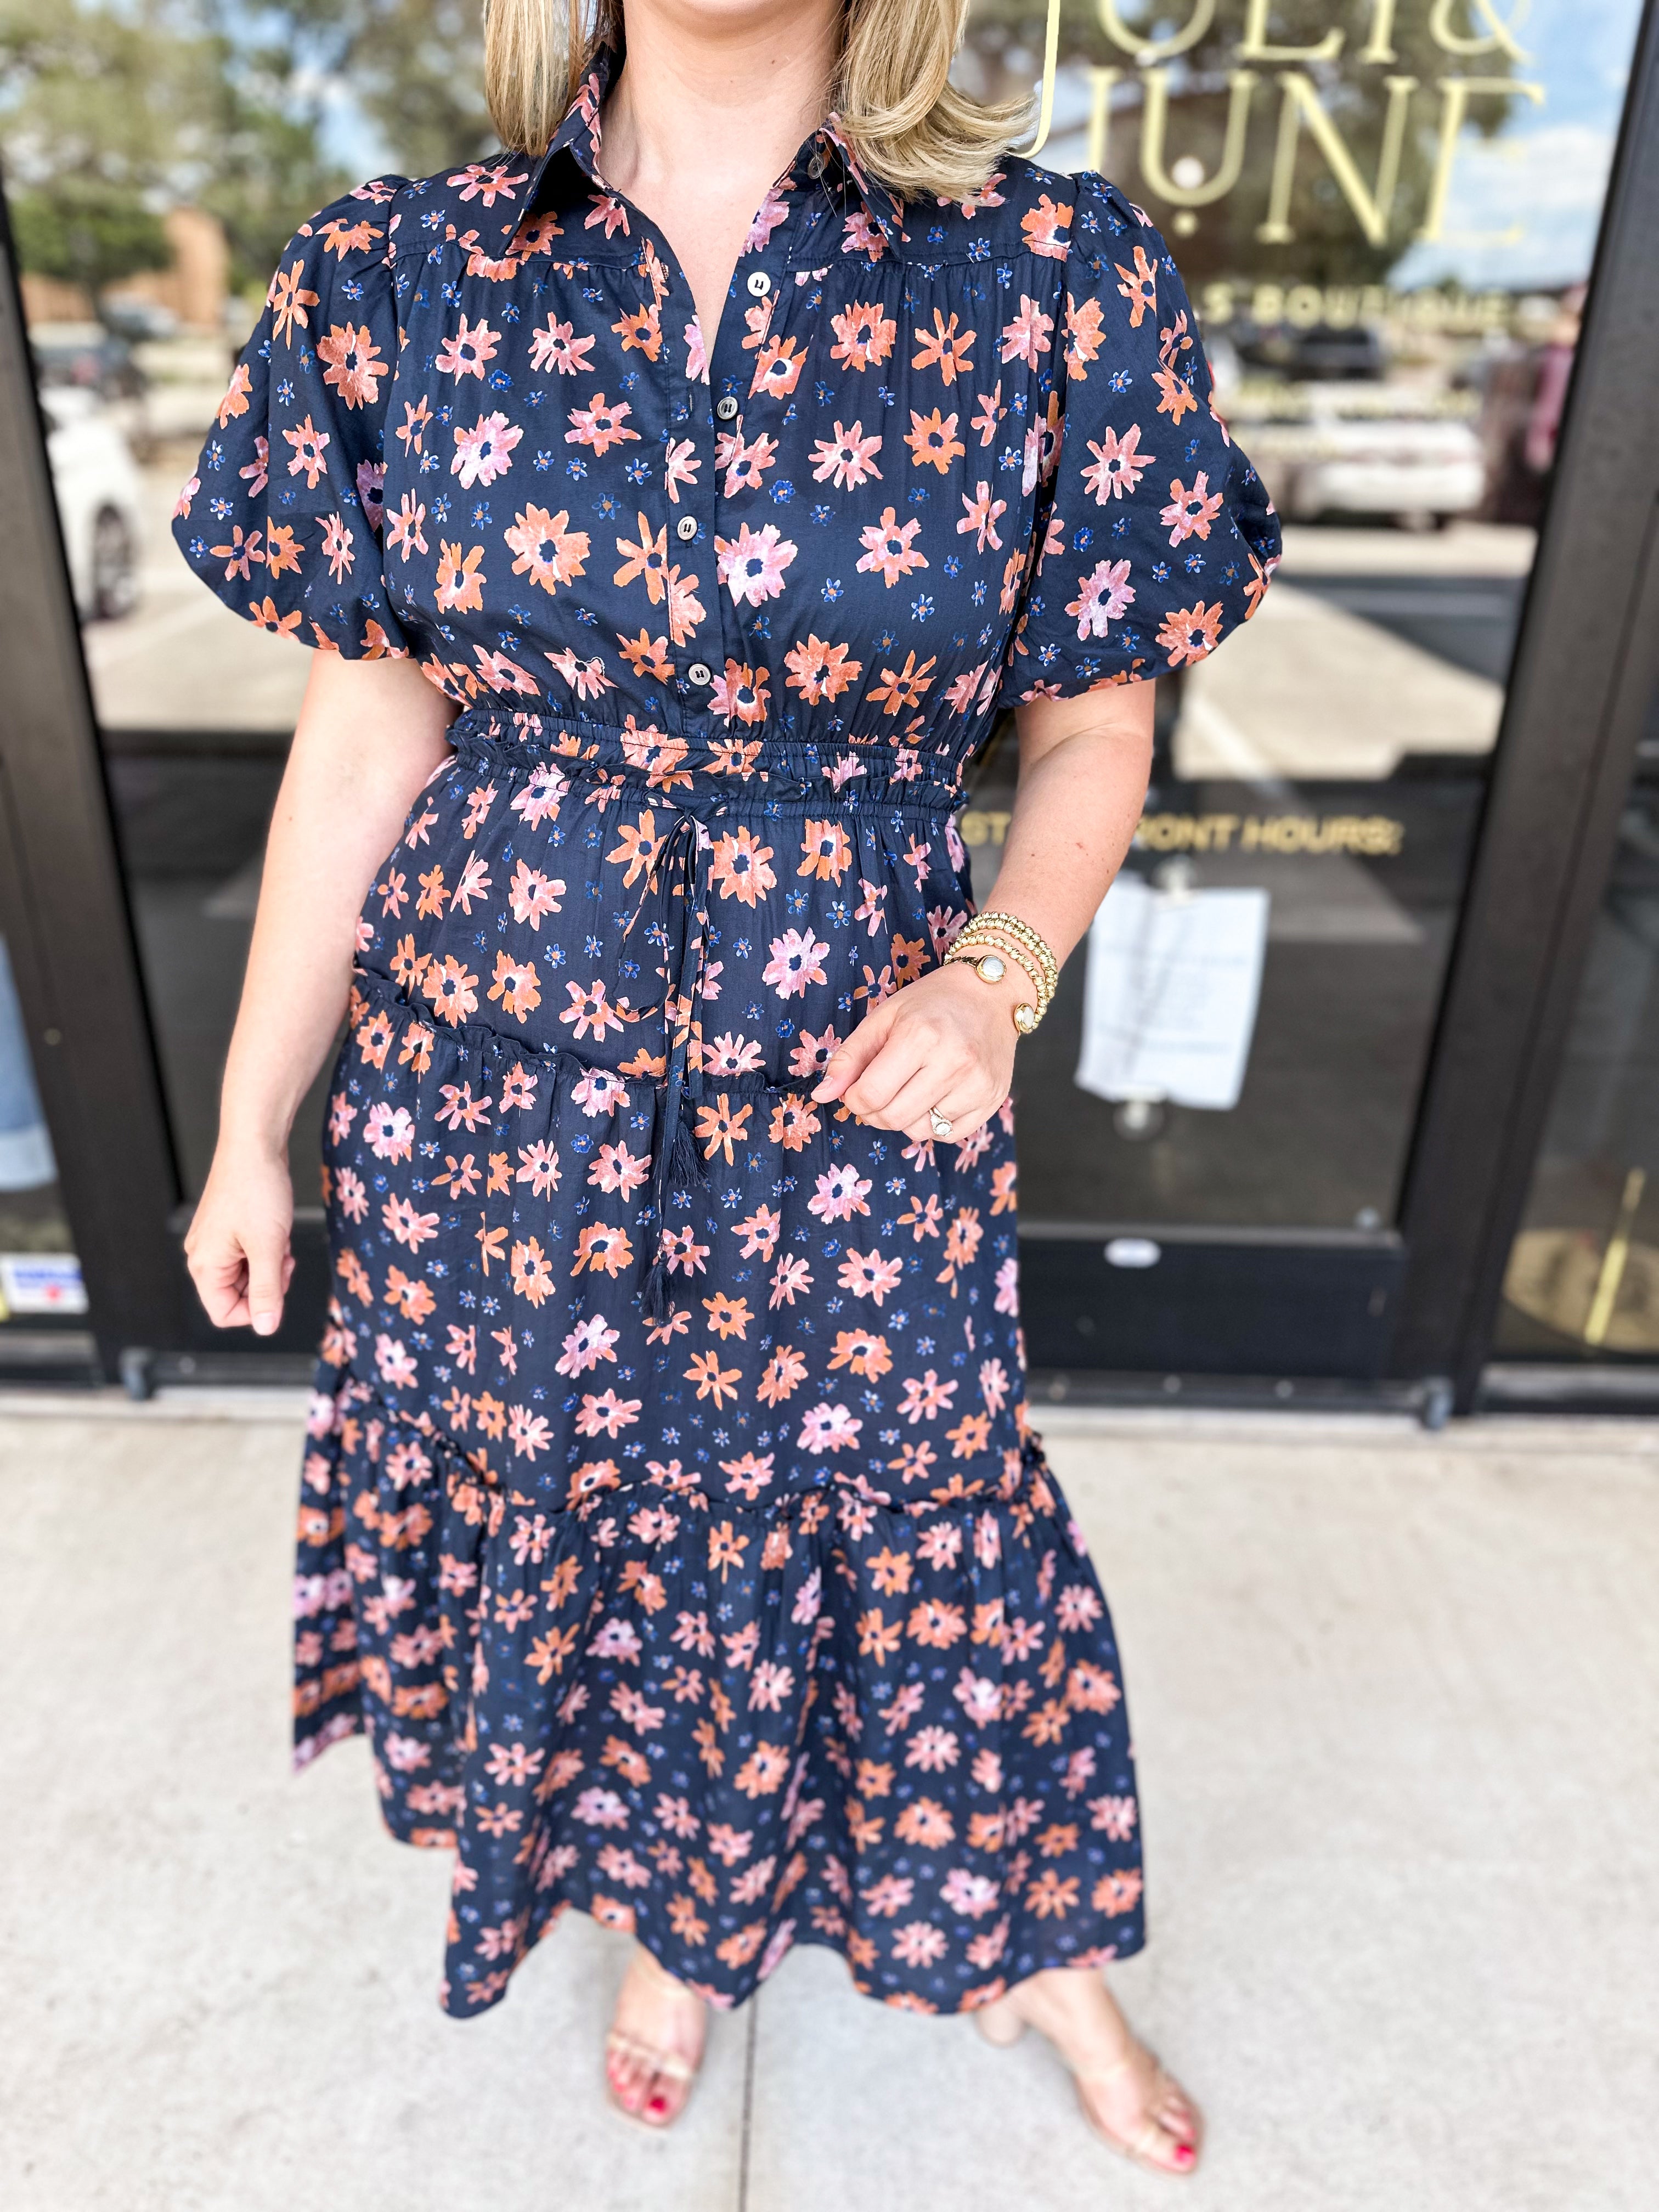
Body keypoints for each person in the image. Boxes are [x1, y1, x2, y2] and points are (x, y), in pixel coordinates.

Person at [173, 0, 1277, 2174]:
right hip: (492, 1091)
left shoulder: (1051, 274)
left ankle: (1032, 1940)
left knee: (918, 1511)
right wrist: (248, 1122)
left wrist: (998, 972)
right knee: (589, 1518)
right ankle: (687, 1924)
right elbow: (371, 736)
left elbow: (1093, 730)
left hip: (856, 1074)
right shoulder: (404, 267)